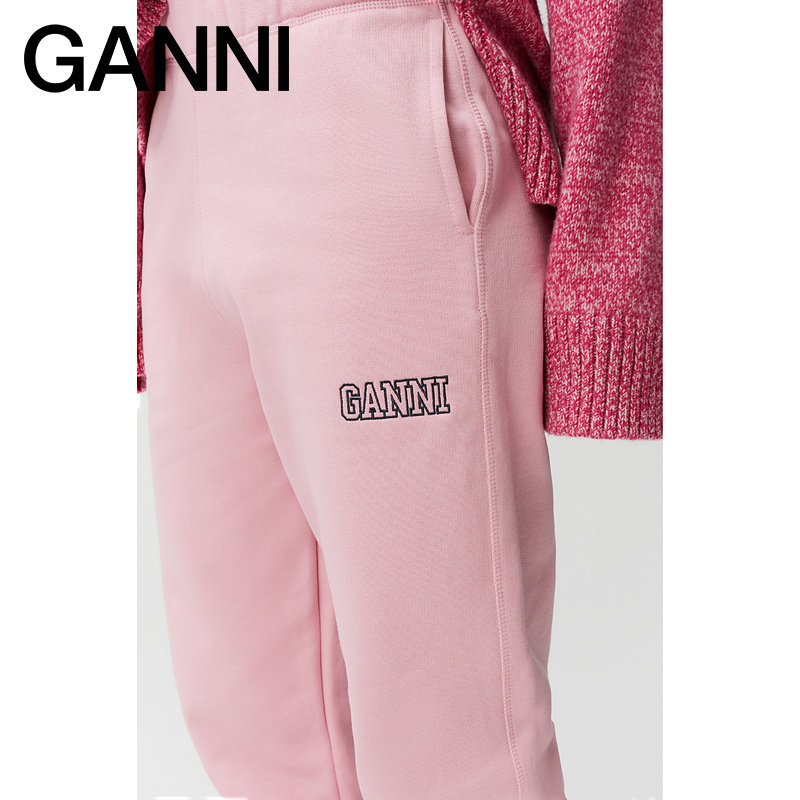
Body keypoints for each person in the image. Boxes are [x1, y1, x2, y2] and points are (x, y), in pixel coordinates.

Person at [136, 0, 662, 797]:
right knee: (253, 718)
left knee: (447, 732)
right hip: (183, 98)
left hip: (373, 84)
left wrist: (607, 273)